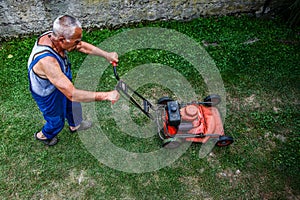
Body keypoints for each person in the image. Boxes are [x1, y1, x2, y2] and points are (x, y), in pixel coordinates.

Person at [28, 15, 120, 146]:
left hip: (61, 78)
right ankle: (43, 135)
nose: (78, 44)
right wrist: (106, 95)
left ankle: (75, 125)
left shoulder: (55, 36)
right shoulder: (47, 61)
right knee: (56, 121)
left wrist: (107, 55)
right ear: (61, 40)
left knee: (73, 106)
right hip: (47, 93)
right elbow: (72, 93)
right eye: (75, 41)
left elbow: (81, 46)